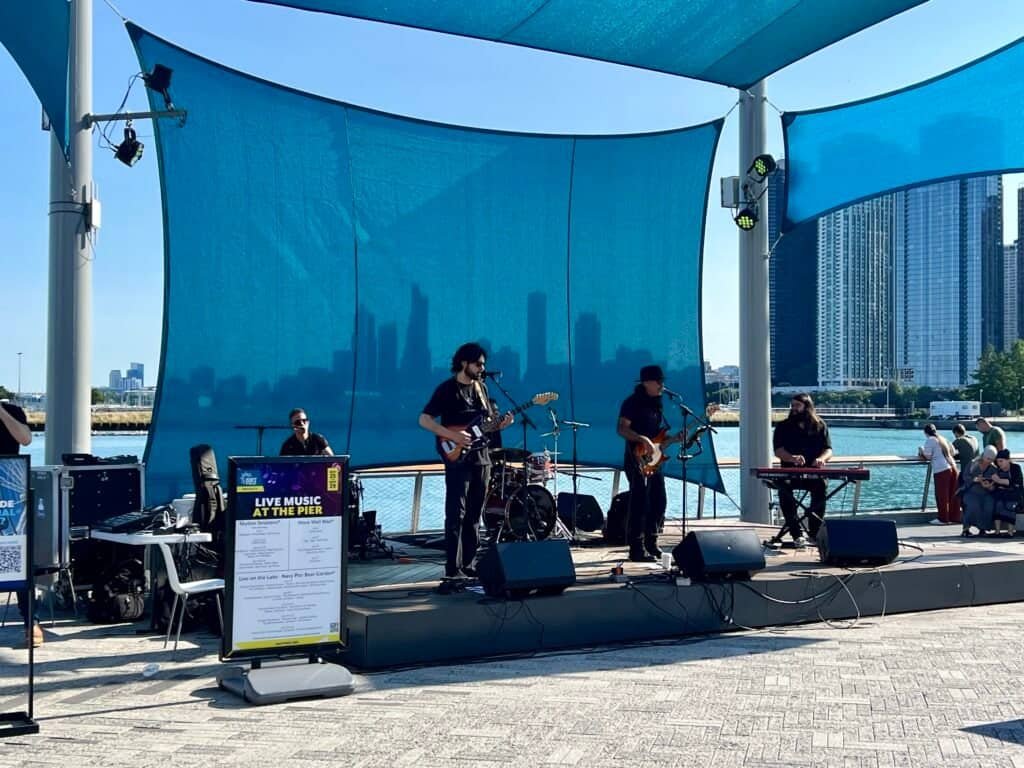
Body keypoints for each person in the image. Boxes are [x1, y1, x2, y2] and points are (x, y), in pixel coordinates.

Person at [419, 343, 513, 579]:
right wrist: (451, 435)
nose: (482, 368)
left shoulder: (481, 389)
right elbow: (424, 419)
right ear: (464, 363)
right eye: (478, 364)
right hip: (458, 459)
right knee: (456, 514)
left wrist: (500, 424)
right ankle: (453, 569)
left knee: (473, 515)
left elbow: (485, 425)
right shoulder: (447, 389)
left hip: (482, 459)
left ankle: (469, 565)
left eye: (484, 364)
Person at [617, 365, 685, 562]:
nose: (662, 385)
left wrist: (672, 439)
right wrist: (642, 439)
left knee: (659, 500)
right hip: (635, 457)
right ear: (647, 382)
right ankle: (636, 548)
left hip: (653, 460)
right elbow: (622, 429)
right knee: (639, 501)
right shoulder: (632, 403)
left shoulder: (657, 404)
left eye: (662, 381)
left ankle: (651, 543)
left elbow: (658, 439)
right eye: (659, 381)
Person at [0, 400, 41, 648]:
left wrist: (1, 413)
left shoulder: (11, 410)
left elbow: (25, 439)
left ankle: (31, 622)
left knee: (18, 559)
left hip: (9, 497)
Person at [772, 393, 833, 547]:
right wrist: (792, 458)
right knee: (784, 489)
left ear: (807, 407)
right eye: (792, 406)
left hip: (813, 473)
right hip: (789, 473)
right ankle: (796, 533)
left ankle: (814, 533)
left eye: (797, 405)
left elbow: (828, 449)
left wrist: (822, 459)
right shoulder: (783, 426)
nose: (794, 409)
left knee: (821, 487)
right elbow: (778, 451)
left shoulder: (820, 425)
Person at [918, 423, 959, 525]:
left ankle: (943, 519)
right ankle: (953, 517)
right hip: (952, 467)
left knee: (941, 495)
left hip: (941, 470)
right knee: (951, 495)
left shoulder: (930, 440)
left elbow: (927, 456)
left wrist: (921, 450)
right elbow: (953, 452)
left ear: (925, 432)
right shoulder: (942, 438)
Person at [961, 445, 997, 537]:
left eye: (991, 459)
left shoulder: (993, 468)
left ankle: (983, 528)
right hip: (971, 491)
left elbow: (995, 484)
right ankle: (966, 528)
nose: (989, 461)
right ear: (983, 456)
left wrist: (989, 486)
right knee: (973, 504)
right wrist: (975, 479)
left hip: (985, 492)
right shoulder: (973, 464)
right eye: (987, 458)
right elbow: (965, 477)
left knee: (989, 504)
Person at [991, 449, 1022, 537]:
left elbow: (1016, 483)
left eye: (1001, 461)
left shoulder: (1015, 468)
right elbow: (996, 486)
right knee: (998, 504)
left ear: (1008, 460)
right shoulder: (998, 470)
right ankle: (997, 532)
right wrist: (990, 485)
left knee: (1010, 505)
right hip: (1002, 494)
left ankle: (1010, 532)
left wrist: (1000, 481)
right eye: (998, 461)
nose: (999, 463)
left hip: (1015, 494)